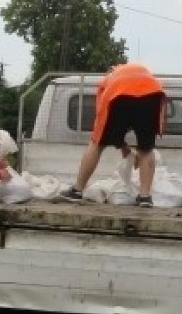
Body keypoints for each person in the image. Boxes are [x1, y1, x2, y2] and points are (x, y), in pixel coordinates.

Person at [58, 63, 167, 207]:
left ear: (111, 70)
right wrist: (122, 145)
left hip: (118, 94)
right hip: (152, 93)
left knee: (97, 144)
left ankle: (77, 191)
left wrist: (110, 141)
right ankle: (145, 197)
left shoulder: (108, 79)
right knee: (146, 148)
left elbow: (103, 120)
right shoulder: (142, 72)